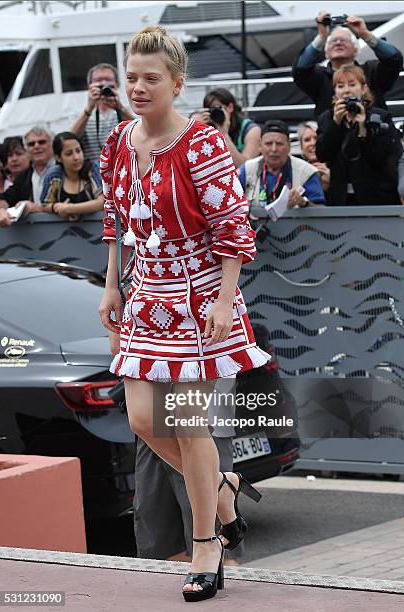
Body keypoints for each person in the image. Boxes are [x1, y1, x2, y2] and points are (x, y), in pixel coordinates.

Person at [98, 26, 270, 603]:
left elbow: (232, 228)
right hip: (144, 293)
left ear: (177, 82)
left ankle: (206, 547)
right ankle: (222, 488)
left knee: (191, 428)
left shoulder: (203, 144)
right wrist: (111, 287)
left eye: (152, 78)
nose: (139, 87)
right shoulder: (119, 139)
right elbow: (117, 222)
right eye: (132, 77)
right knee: (144, 421)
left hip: (197, 301)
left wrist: (224, 300)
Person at [316, 65, 403, 205]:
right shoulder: (326, 118)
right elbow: (322, 154)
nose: (346, 91)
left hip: (376, 197)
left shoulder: (379, 116)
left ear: (364, 89)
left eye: (352, 85)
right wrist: (336, 124)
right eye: (340, 86)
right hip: (341, 198)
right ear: (335, 91)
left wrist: (363, 129)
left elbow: (380, 158)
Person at [292, 11, 403, 118]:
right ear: (326, 53)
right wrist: (322, 37)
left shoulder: (371, 71)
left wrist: (365, 34)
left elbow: (394, 60)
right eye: (333, 41)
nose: (338, 43)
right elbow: (300, 68)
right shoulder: (319, 77)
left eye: (344, 40)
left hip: (373, 133)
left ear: (356, 50)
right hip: (333, 134)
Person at [238, 119, 326, 217]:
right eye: (268, 144)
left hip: (296, 230)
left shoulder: (307, 172)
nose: (274, 149)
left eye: (279, 144)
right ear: (260, 146)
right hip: (255, 230)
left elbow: (321, 213)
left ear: (289, 146)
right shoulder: (247, 170)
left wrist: (303, 203)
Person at [70, 63, 133, 164]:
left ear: (116, 85)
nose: (104, 84)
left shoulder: (128, 108)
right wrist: (89, 109)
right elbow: (70, 138)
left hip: (122, 170)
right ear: (89, 86)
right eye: (98, 81)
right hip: (93, 173)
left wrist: (120, 108)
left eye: (108, 80)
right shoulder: (80, 112)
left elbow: (142, 130)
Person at [0, 127, 54, 227]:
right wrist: (0, 211)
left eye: (42, 142)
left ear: (52, 146)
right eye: (31, 144)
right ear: (27, 150)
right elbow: (5, 199)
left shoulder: (64, 170)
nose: (36, 146)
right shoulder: (25, 176)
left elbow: (69, 205)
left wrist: (36, 208)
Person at [41, 132, 104, 221]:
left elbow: (102, 202)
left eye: (78, 151)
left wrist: (67, 209)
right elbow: (44, 204)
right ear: (58, 158)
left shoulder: (93, 168)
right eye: (69, 153)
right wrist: (56, 207)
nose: (76, 157)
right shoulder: (53, 175)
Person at [199, 87, 261, 167]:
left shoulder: (250, 130)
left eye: (218, 108)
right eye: (212, 109)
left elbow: (245, 167)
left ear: (230, 107)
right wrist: (198, 131)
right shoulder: (205, 128)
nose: (216, 112)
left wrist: (224, 134)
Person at [297, 121, 330, 192]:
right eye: (307, 140)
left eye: (316, 138)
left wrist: (333, 181)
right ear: (302, 148)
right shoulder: (298, 171)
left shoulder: (338, 166)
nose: (313, 143)